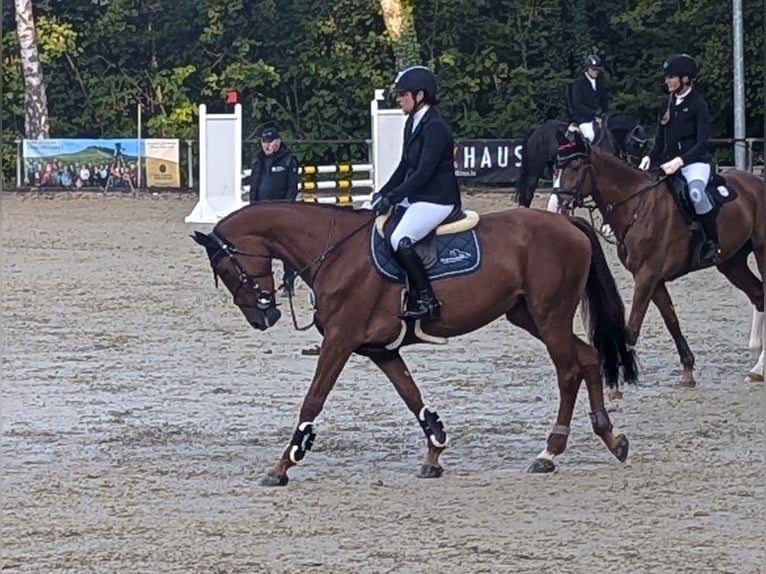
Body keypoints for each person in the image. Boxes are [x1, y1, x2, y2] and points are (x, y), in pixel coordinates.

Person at [370, 65, 461, 321]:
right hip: (419, 196)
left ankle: (427, 299)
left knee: (400, 238)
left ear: (420, 95)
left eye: (402, 94)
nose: (399, 98)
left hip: (438, 199)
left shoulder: (436, 127)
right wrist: (383, 192)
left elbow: (423, 172)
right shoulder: (412, 121)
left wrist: (395, 196)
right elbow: (404, 165)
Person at [638, 54, 719, 264]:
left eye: (671, 77)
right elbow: (659, 139)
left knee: (696, 193)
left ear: (685, 78)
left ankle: (712, 242)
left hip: (695, 163)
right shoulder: (667, 103)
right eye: (667, 77)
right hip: (667, 163)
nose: (667, 81)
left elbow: (702, 143)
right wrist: (649, 156)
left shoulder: (698, 104)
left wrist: (681, 161)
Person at [249, 126, 300, 295]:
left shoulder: (289, 160)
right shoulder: (257, 160)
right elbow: (254, 186)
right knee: (261, 248)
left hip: (281, 211)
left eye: (270, 142)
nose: (267, 145)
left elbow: (292, 188)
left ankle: (288, 282)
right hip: (261, 210)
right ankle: (262, 281)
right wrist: (252, 206)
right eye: (264, 142)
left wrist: (286, 209)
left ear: (278, 141)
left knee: (285, 249)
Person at [571, 54, 609, 143]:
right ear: (588, 68)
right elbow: (577, 105)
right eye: (593, 69)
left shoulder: (600, 82)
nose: (595, 72)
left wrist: (604, 112)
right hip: (584, 119)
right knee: (591, 136)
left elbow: (604, 100)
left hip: (600, 117)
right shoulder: (579, 83)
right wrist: (594, 113)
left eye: (597, 69)